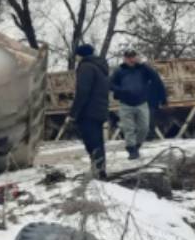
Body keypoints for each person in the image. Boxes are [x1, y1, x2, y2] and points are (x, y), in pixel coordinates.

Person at [110, 48, 167, 160]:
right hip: (125, 104)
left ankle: (137, 145)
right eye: (128, 57)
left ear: (136, 57)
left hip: (142, 103)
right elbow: (110, 84)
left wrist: (144, 65)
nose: (131, 59)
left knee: (144, 127)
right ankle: (131, 149)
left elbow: (155, 77)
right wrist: (120, 90)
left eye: (133, 57)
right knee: (128, 128)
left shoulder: (143, 69)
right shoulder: (119, 71)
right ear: (124, 58)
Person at [71, 44, 110, 180]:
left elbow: (83, 92)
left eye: (76, 55)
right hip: (99, 109)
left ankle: (98, 171)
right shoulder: (101, 67)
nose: (75, 58)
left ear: (80, 55)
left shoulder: (86, 67)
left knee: (91, 141)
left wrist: (74, 112)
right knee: (98, 141)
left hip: (88, 111)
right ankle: (100, 169)